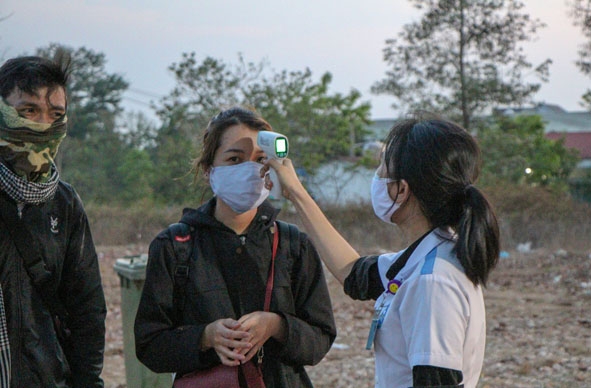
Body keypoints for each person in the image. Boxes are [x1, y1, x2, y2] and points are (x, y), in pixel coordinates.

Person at [266, 114, 500, 388]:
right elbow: (354, 274)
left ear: (401, 190)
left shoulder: (432, 281)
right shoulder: (427, 256)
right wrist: (295, 191)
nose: (376, 177)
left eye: (381, 168)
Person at [134, 106, 336, 387]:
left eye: (259, 159)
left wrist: (276, 325)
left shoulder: (294, 245)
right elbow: (149, 345)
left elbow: (321, 337)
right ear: (208, 170)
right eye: (235, 159)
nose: (250, 169)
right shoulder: (174, 246)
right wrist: (205, 337)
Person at [0, 55, 106, 387]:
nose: (44, 125)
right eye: (28, 111)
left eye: (55, 115)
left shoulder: (64, 203)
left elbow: (87, 312)